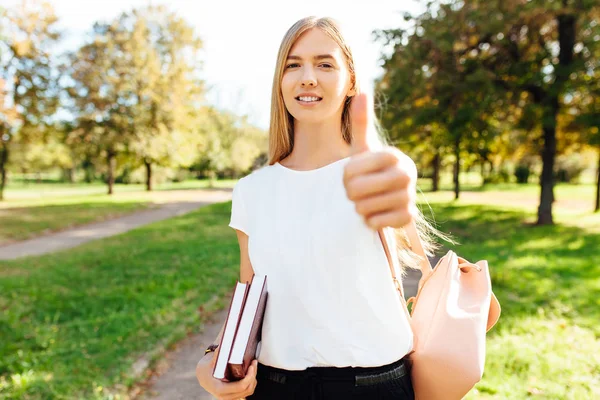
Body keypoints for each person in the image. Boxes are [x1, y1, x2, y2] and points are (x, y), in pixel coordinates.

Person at [196, 15, 445, 400]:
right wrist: (211, 358)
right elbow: (248, 291)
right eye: (293, 65)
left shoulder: (374, 169)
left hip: (375, 386)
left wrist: (396, 195)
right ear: (280, 83)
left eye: (325, 64)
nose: (307, 77)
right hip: (275, 388)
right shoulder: (251, 190)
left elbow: (397, 184)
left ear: (351, 83)